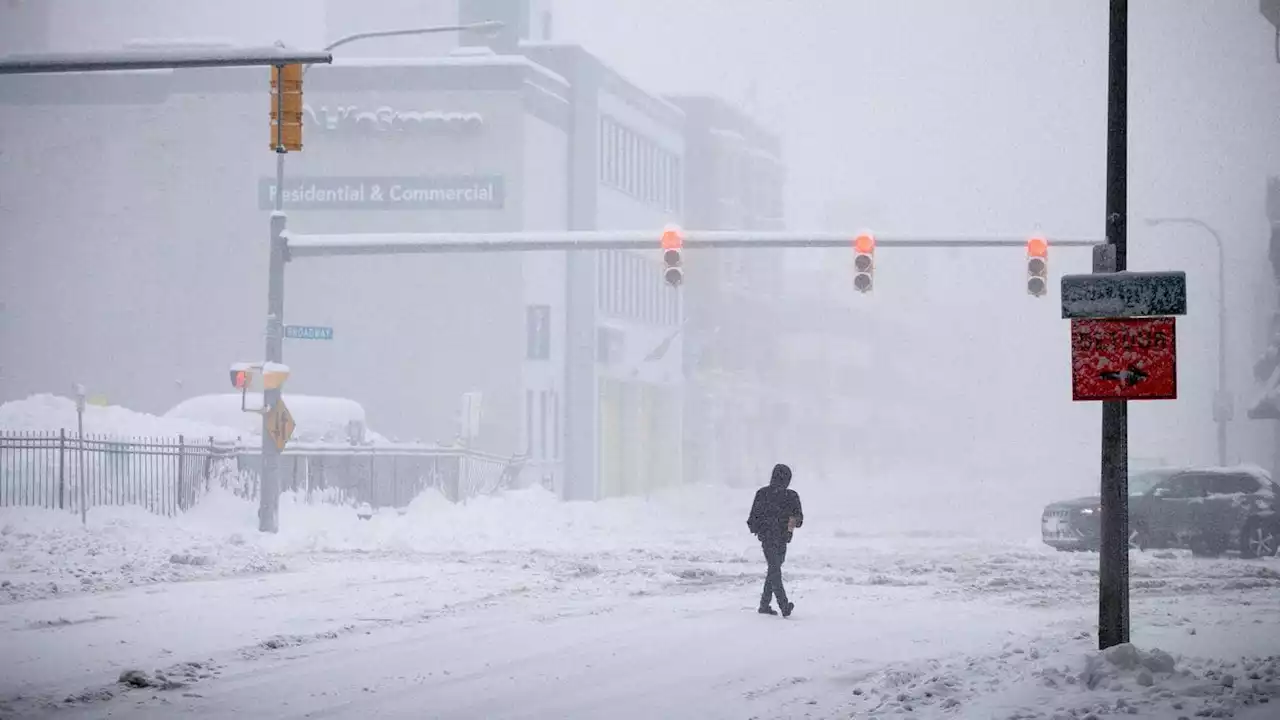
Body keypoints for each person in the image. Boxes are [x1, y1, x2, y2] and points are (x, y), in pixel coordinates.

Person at [747, 463, 803, 617]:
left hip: (772, 538)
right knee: (775, 569)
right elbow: (799, 519)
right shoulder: (791, 496)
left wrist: (758, 529)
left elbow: (752, 519)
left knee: (774, 569)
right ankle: (784, 605)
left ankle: (764, 605)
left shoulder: (763, 494)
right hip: (780, 538)